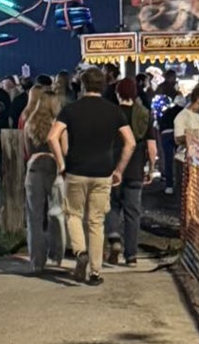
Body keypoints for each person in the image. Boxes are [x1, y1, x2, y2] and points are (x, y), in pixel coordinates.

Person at [48, 67, 135, 285]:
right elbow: (130, 142)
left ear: (83, 85)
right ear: (103, 85)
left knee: (73, 215)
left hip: (76, 170)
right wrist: (119, 170)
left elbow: (52, 137)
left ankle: (80, 252)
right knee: (96, 221)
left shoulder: (71, 110)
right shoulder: (114, 111)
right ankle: (96, 272)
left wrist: (61, 163)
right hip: (103, 172)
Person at [106, 77, 158, 266]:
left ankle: (113, 238)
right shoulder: (144, 114)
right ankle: (131, 256)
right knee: (133, 213)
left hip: (113, 167)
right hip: (135, 169)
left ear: (117, 93)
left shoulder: (111, 114)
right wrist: (151, 168)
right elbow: (152, 146)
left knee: (112, 206)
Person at [22, 89, 65, 274]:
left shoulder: (29, 123)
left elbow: (26, 151)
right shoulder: (59, 125)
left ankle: (36, 261)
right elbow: (65, 149)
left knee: (34, 217)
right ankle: (56, 253)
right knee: (57, 213)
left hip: (34, 167)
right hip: (54, 166)